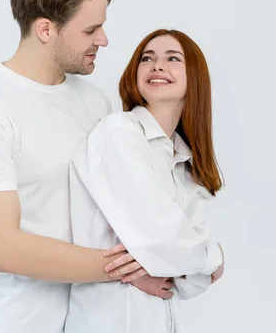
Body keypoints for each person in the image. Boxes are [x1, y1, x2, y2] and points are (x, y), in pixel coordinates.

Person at [0, 0, 164, 333]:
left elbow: (119, 205)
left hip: (93, 319)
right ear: (46, 30)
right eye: (90, 30)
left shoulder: (94, 102)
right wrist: (127, 271)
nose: (104, 40)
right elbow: (5, 249)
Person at [65, 29, 226, 333]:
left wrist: (179, 262)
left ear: (195, 77)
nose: (157, 66)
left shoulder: (184, 165)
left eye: (172, 58)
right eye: (147, 58)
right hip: (112, 320)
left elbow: (191, 284)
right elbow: (162, 237)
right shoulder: (119, 132)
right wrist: (213, 257)